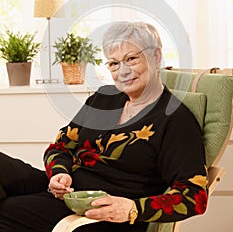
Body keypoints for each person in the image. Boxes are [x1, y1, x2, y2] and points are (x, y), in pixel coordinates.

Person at [0, 21, 208, 232]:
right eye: (113, 63)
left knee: (7, 212)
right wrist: (59, 173)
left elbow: (194, 196)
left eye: (131, 59)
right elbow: (60, 146)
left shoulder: (175, 119)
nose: (123, 71)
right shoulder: (103, 98)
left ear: (155, 56)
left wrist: (131, 208)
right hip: (69, 192)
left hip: (104, 215)